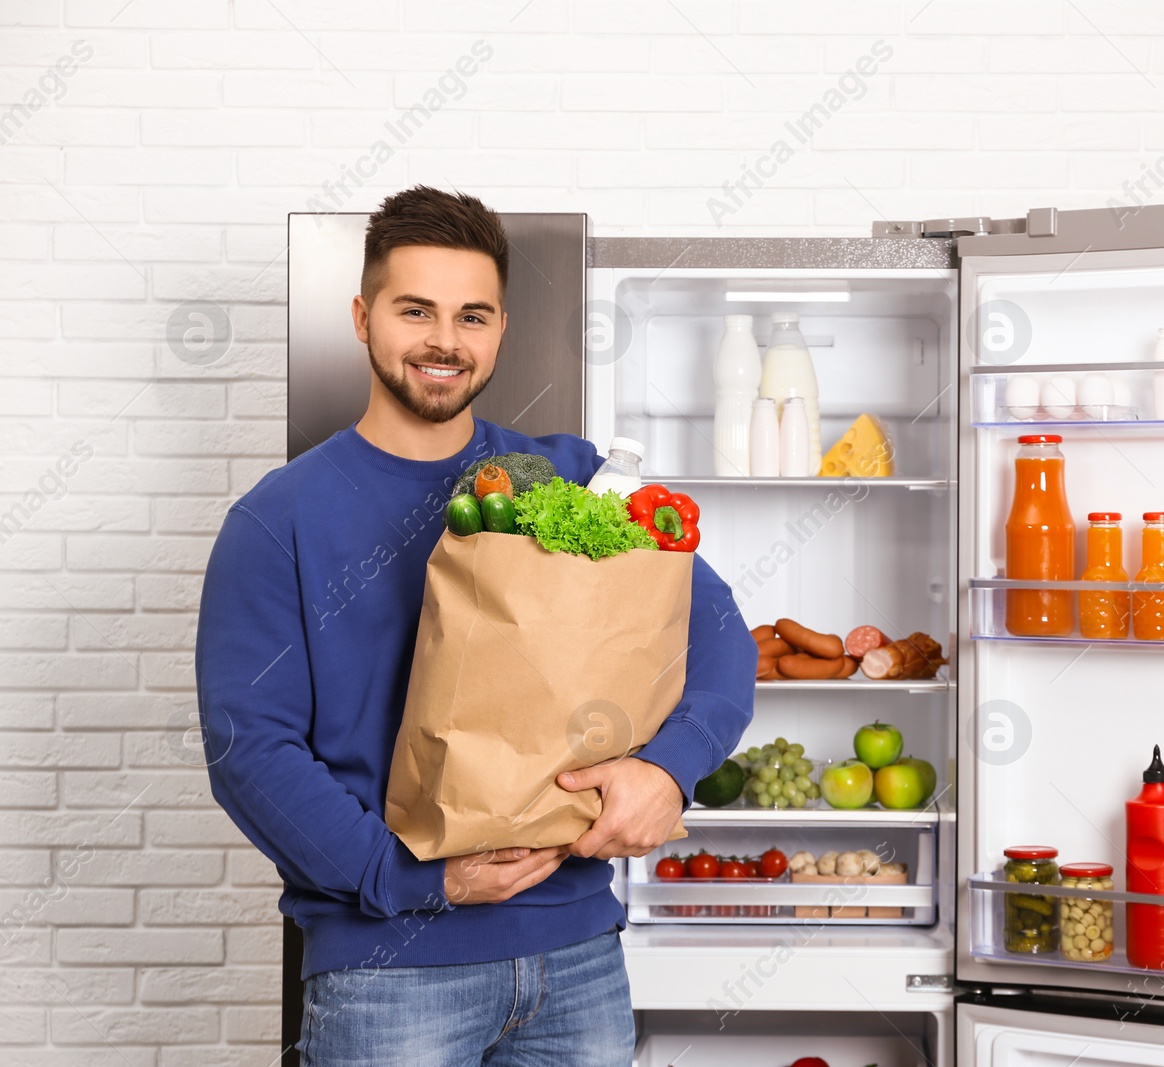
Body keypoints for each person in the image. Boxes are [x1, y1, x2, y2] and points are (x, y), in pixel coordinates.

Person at [194, 185, 756, 1065]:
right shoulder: (279, 520)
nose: (444, 341)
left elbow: (721, 638)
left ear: (499, 329)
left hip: (578, 960)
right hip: (387, 972)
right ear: (362, 316)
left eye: (472, 315)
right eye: (415, 309)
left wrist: (666, 772)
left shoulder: (574, 482)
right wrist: (417, 877)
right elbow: (249, 750)